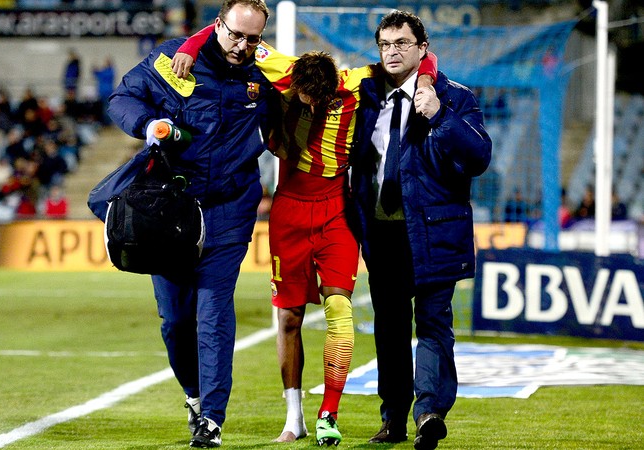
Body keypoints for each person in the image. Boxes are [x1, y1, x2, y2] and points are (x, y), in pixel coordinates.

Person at [172, 23, 438, 446]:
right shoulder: (281, 69)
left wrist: (425, 80)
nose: (311, 110)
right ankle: (293, 417)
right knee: (290, 317)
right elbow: (222, 30)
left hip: (336, 212)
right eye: (304, 102)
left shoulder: (356, 80)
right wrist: (187, 47)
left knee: (340, 309)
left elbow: (424, 58)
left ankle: (328, 414)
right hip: (289, 214)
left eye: (320, 103)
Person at [105, 0, 280, 447]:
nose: (242, 46)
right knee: (175, 321)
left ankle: (213, 419)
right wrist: (148, 124)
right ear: (216, 26)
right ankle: (195, 397)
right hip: (170, 211)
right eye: (235, 35)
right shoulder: (173, 60)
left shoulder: (267, 76)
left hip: (228, 210)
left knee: (213, 310)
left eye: (253, 38)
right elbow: (122, 97)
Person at [350, 10, 491, 450]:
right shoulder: (365, 97)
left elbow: (480, 157)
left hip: (434, 232)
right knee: (389, 329)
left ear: (422, 49)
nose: (393, 52)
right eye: (386, 45)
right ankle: (393, 418)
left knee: (432, 324)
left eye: (402, 44)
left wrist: (440, 116)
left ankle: (429, 411)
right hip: (382, 234)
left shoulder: (454, 97)